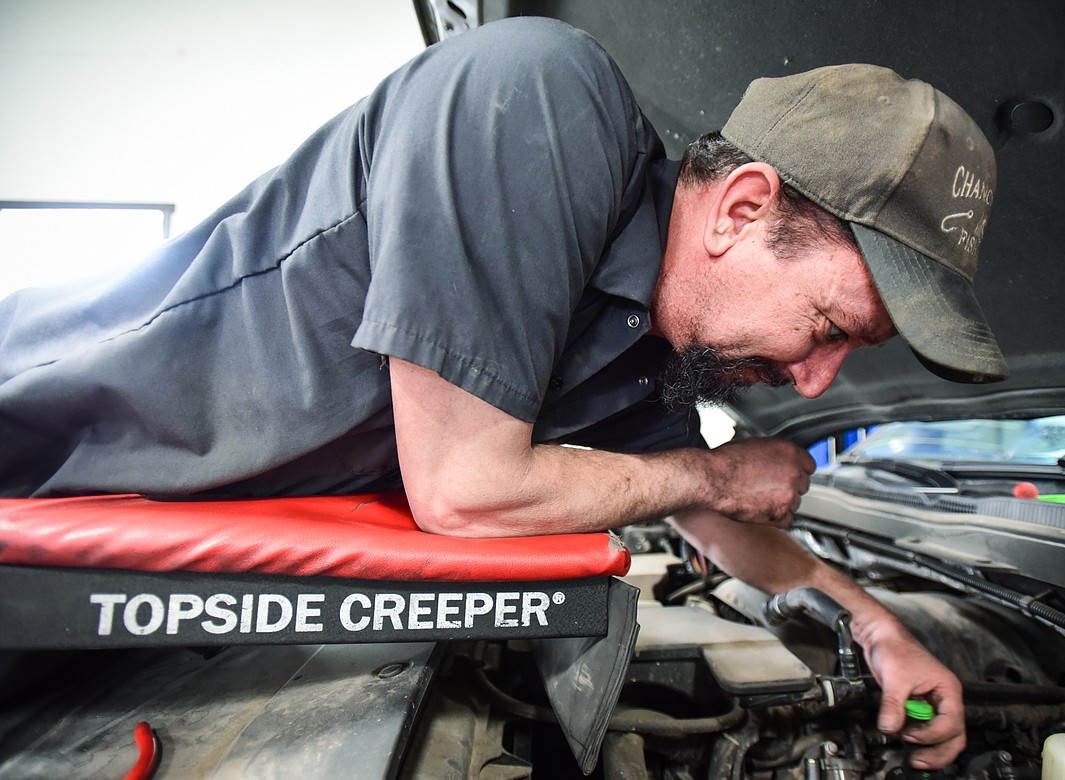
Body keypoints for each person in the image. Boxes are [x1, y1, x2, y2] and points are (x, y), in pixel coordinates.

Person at [0, 17, 1006, 769]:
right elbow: (470, 490)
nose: (814, 376)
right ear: (741, 209)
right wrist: (712, 468)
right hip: (35, 459)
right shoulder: (538, 99)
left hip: (113, 605)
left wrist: (881, 630)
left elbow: (714, 514)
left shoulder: (645, 360)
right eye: (829, 327)